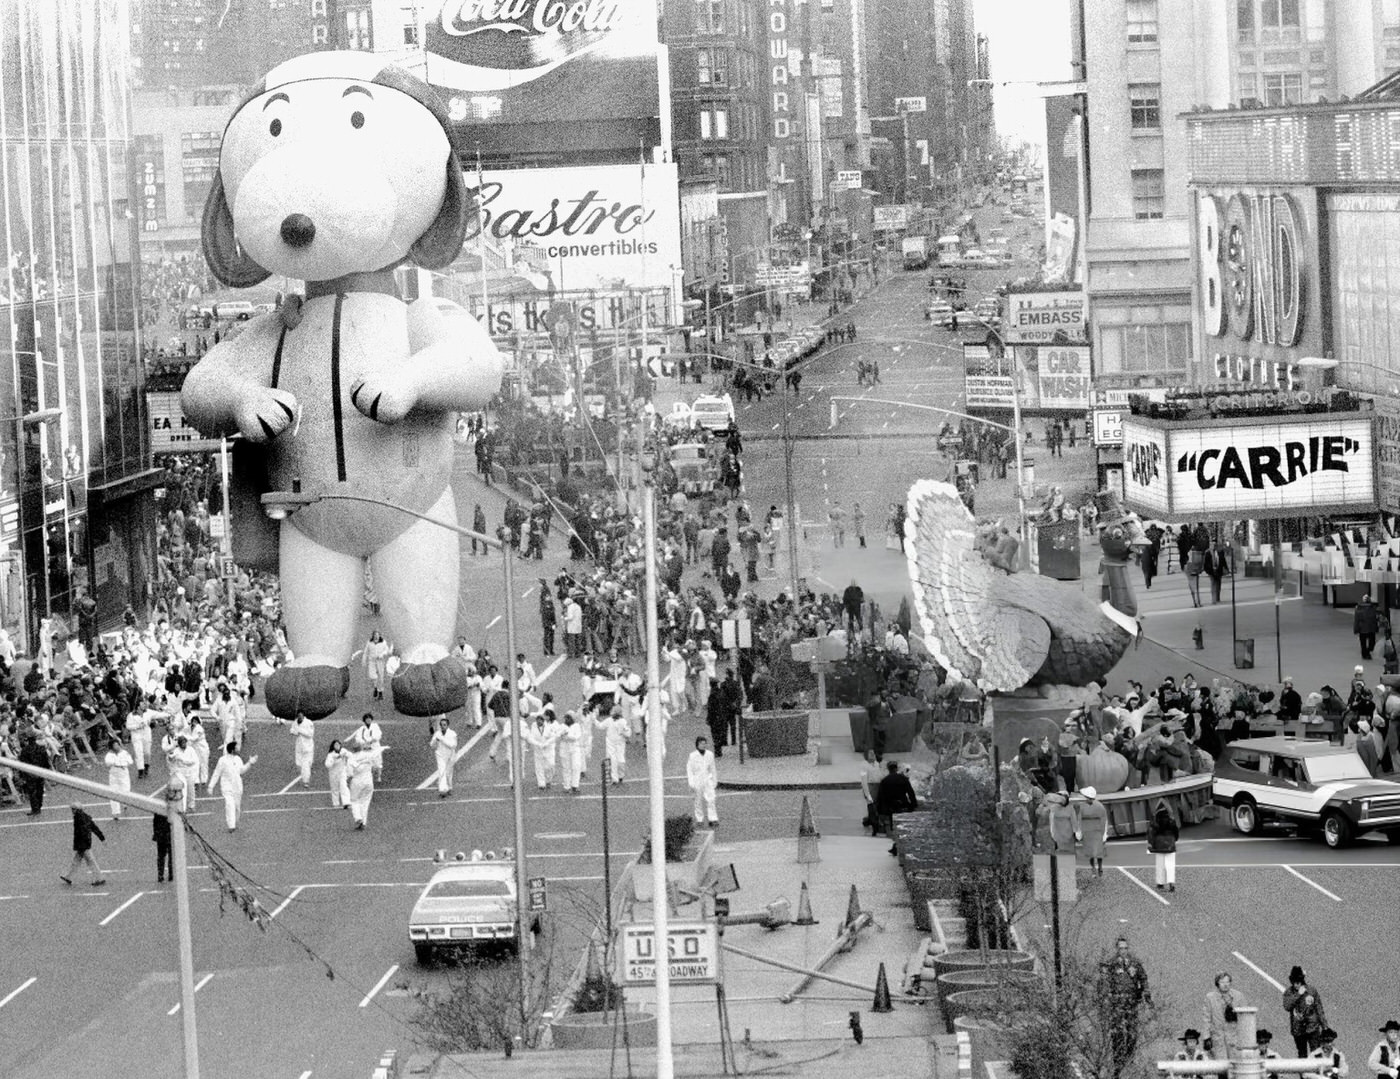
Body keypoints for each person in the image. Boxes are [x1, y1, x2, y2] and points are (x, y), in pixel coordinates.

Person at [1100, 936, 1153, 1077]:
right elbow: (1104, 983)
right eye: (1120, 948)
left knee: (1131, 1034)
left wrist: (1147, 996)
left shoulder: (1135, 963)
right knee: (1117, 1035)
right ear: (1116, 949)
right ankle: (1118, 1065)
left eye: (1125, 948)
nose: (1123, 951)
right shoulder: (1111, 964)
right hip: (1116, 1005)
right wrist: (1107, 999)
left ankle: (1129, 1063)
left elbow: (1143, 978)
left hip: (1131, 1003)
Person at [207, 743, 257, 831]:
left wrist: (250, 763)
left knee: (237, 807)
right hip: (227, 786)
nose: (238, 749)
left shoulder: (238, 759)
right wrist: (211, 786)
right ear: (233, 750)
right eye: (237, 747)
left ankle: (235, 823)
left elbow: (241, 771)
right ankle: (231, 826)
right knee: (229, 804)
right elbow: (217, 773)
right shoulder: (222, 760)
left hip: (237, 786)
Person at [874, 760, 918, 853]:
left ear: (888, 769)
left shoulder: (885, 781)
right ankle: (902, 847)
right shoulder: (903, 779)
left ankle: (896, 846)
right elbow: (910, 792)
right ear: (896, 768)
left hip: (891, 807)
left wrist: (880, 811)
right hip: (903, 805)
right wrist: (913, 805)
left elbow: (881, 797)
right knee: (904, 826)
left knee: (894, 827)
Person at [1283, 965, 1327, 1058]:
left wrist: (1325, 1027)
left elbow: (1319, 1008)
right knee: (1302, 1054)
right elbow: (1287, 1006)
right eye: (1294, 982)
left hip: (1312, 1027)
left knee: (1316, 1053)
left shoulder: (1311, 991)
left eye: (1298, 982)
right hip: (1298, 1029)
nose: (1296, 985)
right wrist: (1298, 994)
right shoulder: (1289, 992)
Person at [1204, 972, 1248, 1059]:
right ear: (1217, 983)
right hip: (1218, 1037)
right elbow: (1206, 1018)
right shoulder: (1210, 998)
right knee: (1221, 1064)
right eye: (1222, 982)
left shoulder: (1238, 996)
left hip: (1234, 1037)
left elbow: (1245, 1017)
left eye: (1227, 982)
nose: (1225, 985)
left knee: (1236, 1063)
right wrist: (1206, 1037)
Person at [60, 805, 107, 887]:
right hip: (85, 843)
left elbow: (80, 833)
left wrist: (80, 845)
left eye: (72, 809)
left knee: (90, 861)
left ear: (76, 810)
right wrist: (102, 838)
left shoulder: (78, 819)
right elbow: (95, 828)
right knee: (77, 861)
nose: (72, 811)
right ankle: (68, 876)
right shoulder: (86, 817)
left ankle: (99, 878)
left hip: (82, 844)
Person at [346, 740, 385, 830]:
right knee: (365, 802)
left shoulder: (351, 758)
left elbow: (349, 773)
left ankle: (358, 818)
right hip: (368, 781)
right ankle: (363, 822)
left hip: (357, 781)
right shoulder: (368, 755)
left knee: (354, 801)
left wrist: (347, 780)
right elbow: (376, 765)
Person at [686, 735, 719, 827]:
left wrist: (714, 781)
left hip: (707, 779)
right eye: (701, 743)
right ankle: (699, 819)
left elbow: (713, 768)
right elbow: (689, 770)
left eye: (705, 743)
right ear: (697, 745)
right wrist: (691, 782)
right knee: (698, 800)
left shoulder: (710, 754)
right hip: (697, 780)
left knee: (711, 799)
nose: (703, 745)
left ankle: (712, 818)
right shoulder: (692, 756)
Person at [1147, 802, 1179, 892]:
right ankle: (1171, 883)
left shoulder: (1156, 820)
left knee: (1160, 864)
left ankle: (1160, 883)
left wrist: (1151, 843)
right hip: (1170, 844)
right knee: (1170, 865)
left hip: (1159, 844)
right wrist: (1174, 840)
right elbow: (1176, 833)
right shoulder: (1171, 821)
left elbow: (1151, 832)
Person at [1078, 785, 1109, 876]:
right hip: (1087, 832)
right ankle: (1093, 868)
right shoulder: (1083, 806)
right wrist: (1079, 832)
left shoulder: (1100, 807)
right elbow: (1079, 819)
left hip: (1097, 832)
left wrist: (1104, 834)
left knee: (1099, 852)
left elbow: (1105, 820)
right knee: (1090, 852)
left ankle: (1099, 867)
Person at [166, 733, 200, 811]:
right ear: (179, 744)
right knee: (182, 790)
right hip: (181, 772)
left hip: (190, 772)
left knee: (191, 789)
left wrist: (182, 759)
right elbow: (171, 760)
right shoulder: (176, 751)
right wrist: (171, 757)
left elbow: (193, 761)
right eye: (182, 743)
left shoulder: (191, 750)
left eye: (184, 742)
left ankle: (191, 805)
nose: (183, 744)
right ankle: (182, 808)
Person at [348, 712, 385, 780]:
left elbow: (378, 735)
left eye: (369, 719)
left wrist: (371, 740)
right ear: (364, 720)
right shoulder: (361, 729)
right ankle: (368, 776)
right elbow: (358, 738)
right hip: (365, 748)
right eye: (367, 719)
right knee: (367, 762)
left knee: (377, 762)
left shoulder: (375, 726)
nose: (368, 720)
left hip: (375, 747)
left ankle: (378, 776)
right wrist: (363, 742)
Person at [283, 713, 316, 788]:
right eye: (298, 715)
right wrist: (293, 731)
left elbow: (310, 734)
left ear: (303, 715)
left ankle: (306, 781)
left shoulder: (309, 723)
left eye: (301, 715)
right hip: (299, 746)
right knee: (298, 763)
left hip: (308, 746)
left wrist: (300, 730)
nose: (299, 716)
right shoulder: (295, 722)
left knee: (306, 764)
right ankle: (306, 773)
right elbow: (293, 730)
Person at [104, 739, 134, 821]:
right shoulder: (109, 755)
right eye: (114, 745)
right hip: (113, 776)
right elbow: (108, 762)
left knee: (126, 791)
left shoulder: (124, 753)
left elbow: (130, 761)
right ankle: (115, 812)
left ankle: (124, 803)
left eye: (117, 745)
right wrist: (118, 763)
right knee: (113, 793)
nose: (117, 747)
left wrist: (121, 763)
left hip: (124, 775)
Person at [430, 717, 458, 797]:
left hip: (450, 756)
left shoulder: (452, 734)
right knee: (442, 771)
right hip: (440, 755)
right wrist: (435, 740)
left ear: (448, 725)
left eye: (444, 725)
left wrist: (442, 739)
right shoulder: (437, 734)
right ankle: (442, 789)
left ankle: (449, 787)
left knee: (448, 773)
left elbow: (453, 745)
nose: (443, 727)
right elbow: (432, 745)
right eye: (441, 725)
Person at [125, 703, 154, 778]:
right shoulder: (131, 715)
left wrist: (168, 714)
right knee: (139, 753)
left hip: (146, 735)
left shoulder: (148, 712)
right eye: (142, 704)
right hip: (137, 736)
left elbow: (158, 714)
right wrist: (138, 726)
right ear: (138, 706)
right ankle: (140, 770)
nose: (144, 705)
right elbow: (128, 726)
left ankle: (146, 766)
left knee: (147, 752)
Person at [364, 631, 391, 700]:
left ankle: (380, 693)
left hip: (380, 661)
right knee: (372, 675)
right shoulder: (369, 643)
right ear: (372, 636)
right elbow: (366, 651)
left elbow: (387, 650)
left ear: (379, 636)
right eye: (375, 635)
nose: (376, 636)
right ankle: (375, 687)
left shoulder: (383, 642)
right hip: (372, 661)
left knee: (381, 677)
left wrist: (382, 654)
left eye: (377, 635)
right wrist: (364, 660)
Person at [324, 739, 350, 808]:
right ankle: (336, 803)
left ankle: (346, 802)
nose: (337, 746)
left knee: (344, 786)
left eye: (338, 744)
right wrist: (334, 759)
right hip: (333, 774)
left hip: (342, 773)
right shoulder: (330, 755)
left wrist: (345, 755)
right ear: (333, 746)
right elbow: (327, 765)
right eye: (335, 745)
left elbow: (350, 755)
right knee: (334, 789)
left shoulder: (343, 751)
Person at [1356, 593, 1381, 660]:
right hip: (1369, 628)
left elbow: (1356, 620)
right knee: (1371, 643)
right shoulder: (1372, 608)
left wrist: (1356, 628)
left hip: (1364, 628)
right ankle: (1366, 653)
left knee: (1364, 643)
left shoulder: (1361, 608)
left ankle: (1365, 654)